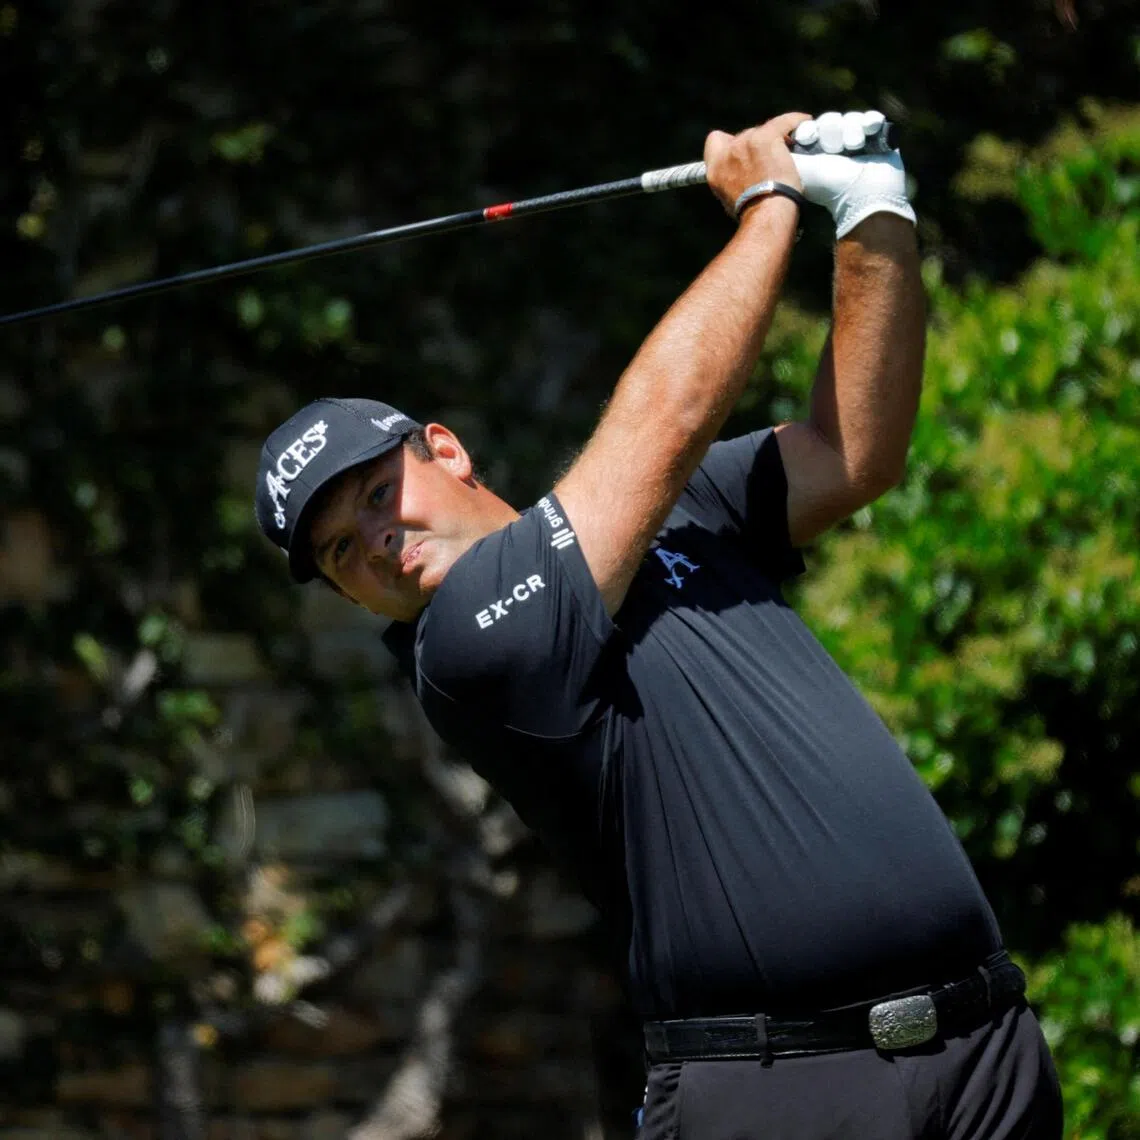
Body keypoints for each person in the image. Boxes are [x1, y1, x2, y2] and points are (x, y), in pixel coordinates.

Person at [254, 110, 1062, 1139]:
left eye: (377, 494)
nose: (373, 541)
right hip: (780, 1088)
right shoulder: (466, 649)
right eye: (338, 551)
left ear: (445, 452)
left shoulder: (677, 510)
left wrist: (872, 212)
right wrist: (768, 204)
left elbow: (851, 454)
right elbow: (667, 416)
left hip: (984, 1051)